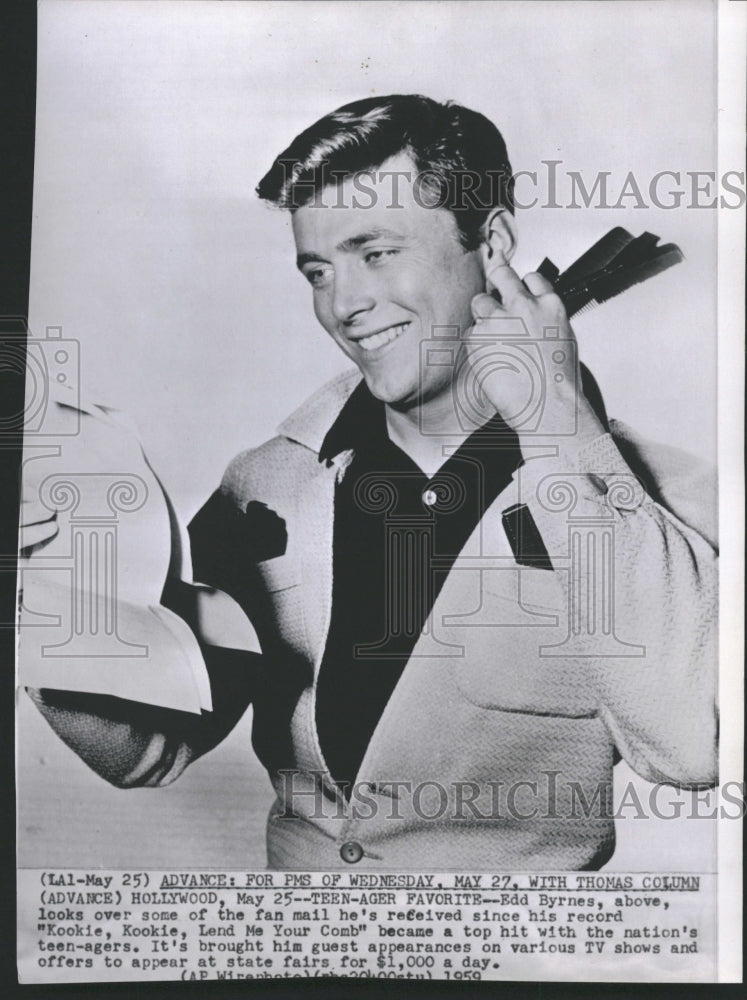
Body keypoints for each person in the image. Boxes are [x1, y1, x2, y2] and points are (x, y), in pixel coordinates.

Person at [23, 95, 717, 870]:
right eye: (318, 270)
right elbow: (148, 749)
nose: (343, 305)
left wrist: (557, 425)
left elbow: (687, 748)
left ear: (490, 245)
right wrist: (43, 600)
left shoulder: (661, 495)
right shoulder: (265, 486)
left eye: (375, 252)